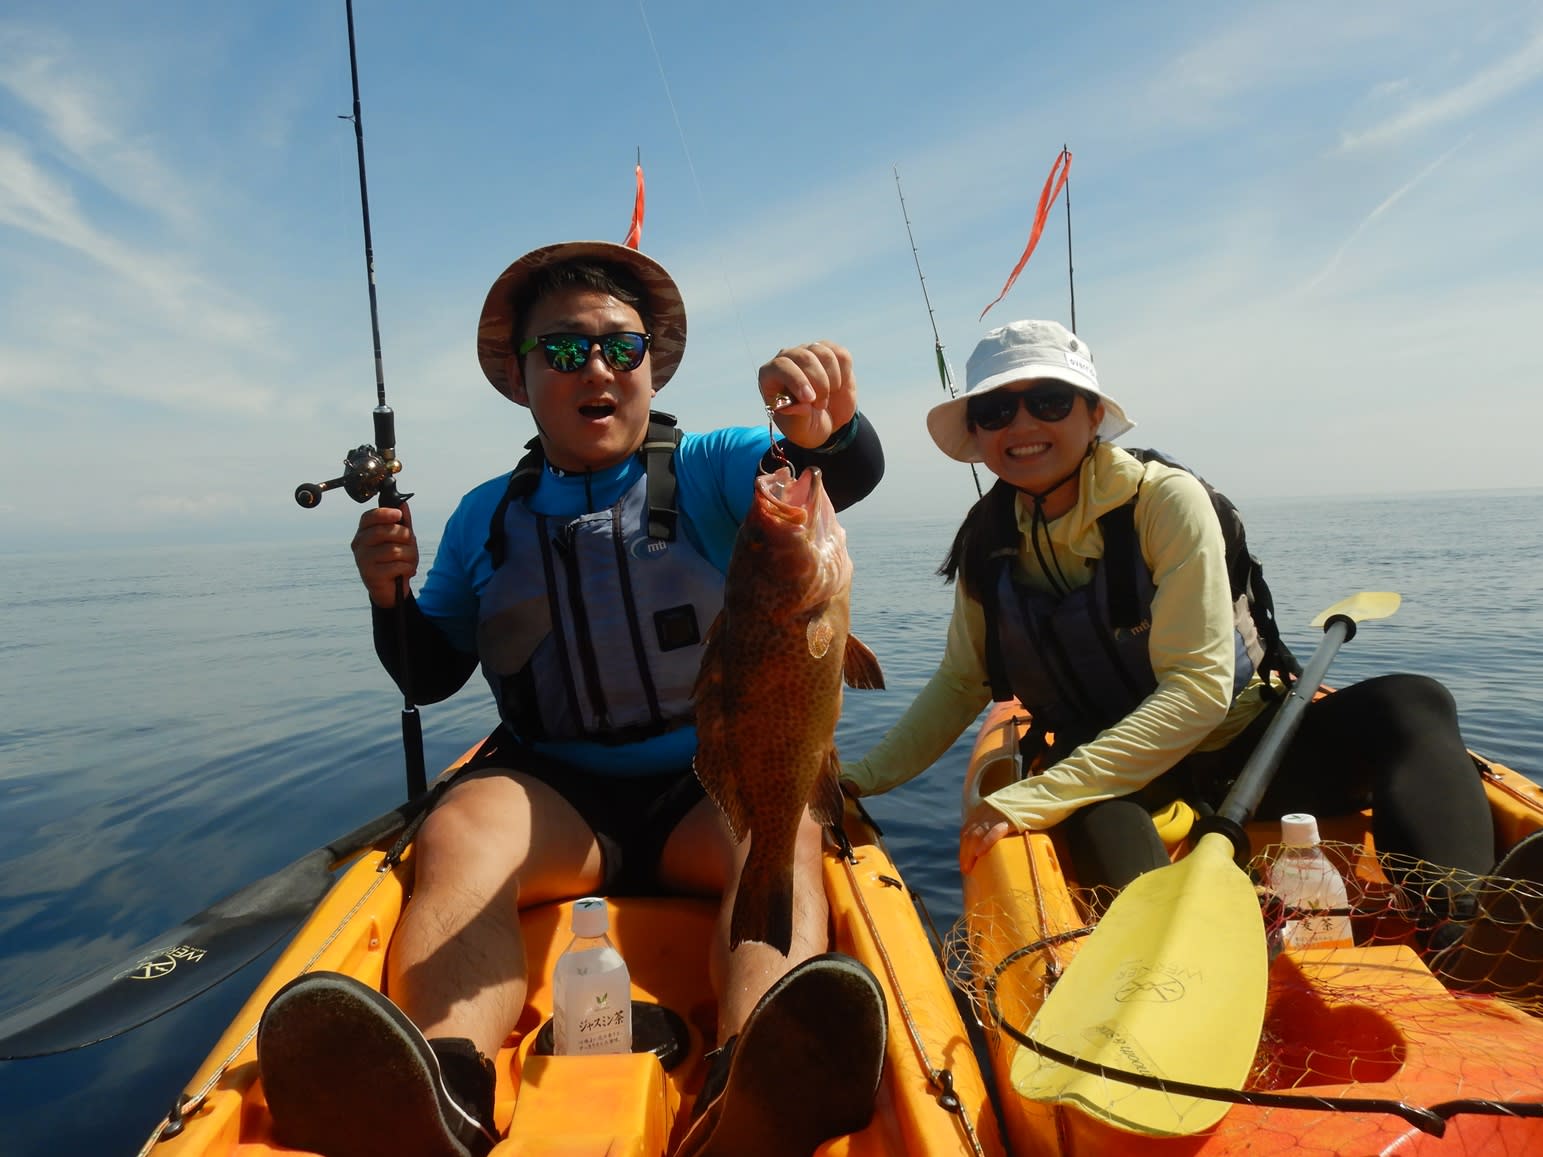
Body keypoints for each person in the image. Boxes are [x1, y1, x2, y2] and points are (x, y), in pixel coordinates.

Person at [255, 240, 888, 1157]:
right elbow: (429, 673)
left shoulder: (713, 466)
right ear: (520, 377)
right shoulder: (485, 516)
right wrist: (387, 595)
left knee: (782, 833)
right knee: (460, 831)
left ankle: (748, 1083)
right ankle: (450, 1091)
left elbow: (844, 471)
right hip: (558, 799)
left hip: (707, 787)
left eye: (620, 348)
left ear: (648, 367)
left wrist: (826, 430)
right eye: (562, 351)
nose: (596, 367)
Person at [841, 317, 1524, 927]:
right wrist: (858, 777)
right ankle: (1172, 964)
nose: (1020, 425)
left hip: (1246, 747)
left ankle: (1460, 924)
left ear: (1091, 414)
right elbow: (961, 682)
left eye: (1047, 401)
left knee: (1411, 702)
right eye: (995, 409)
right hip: (1121, 768)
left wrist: (1032, 795)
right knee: (1094, 805)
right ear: (979, 434)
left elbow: (1199, 688)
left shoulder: (1163, 501)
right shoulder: (987, 541)